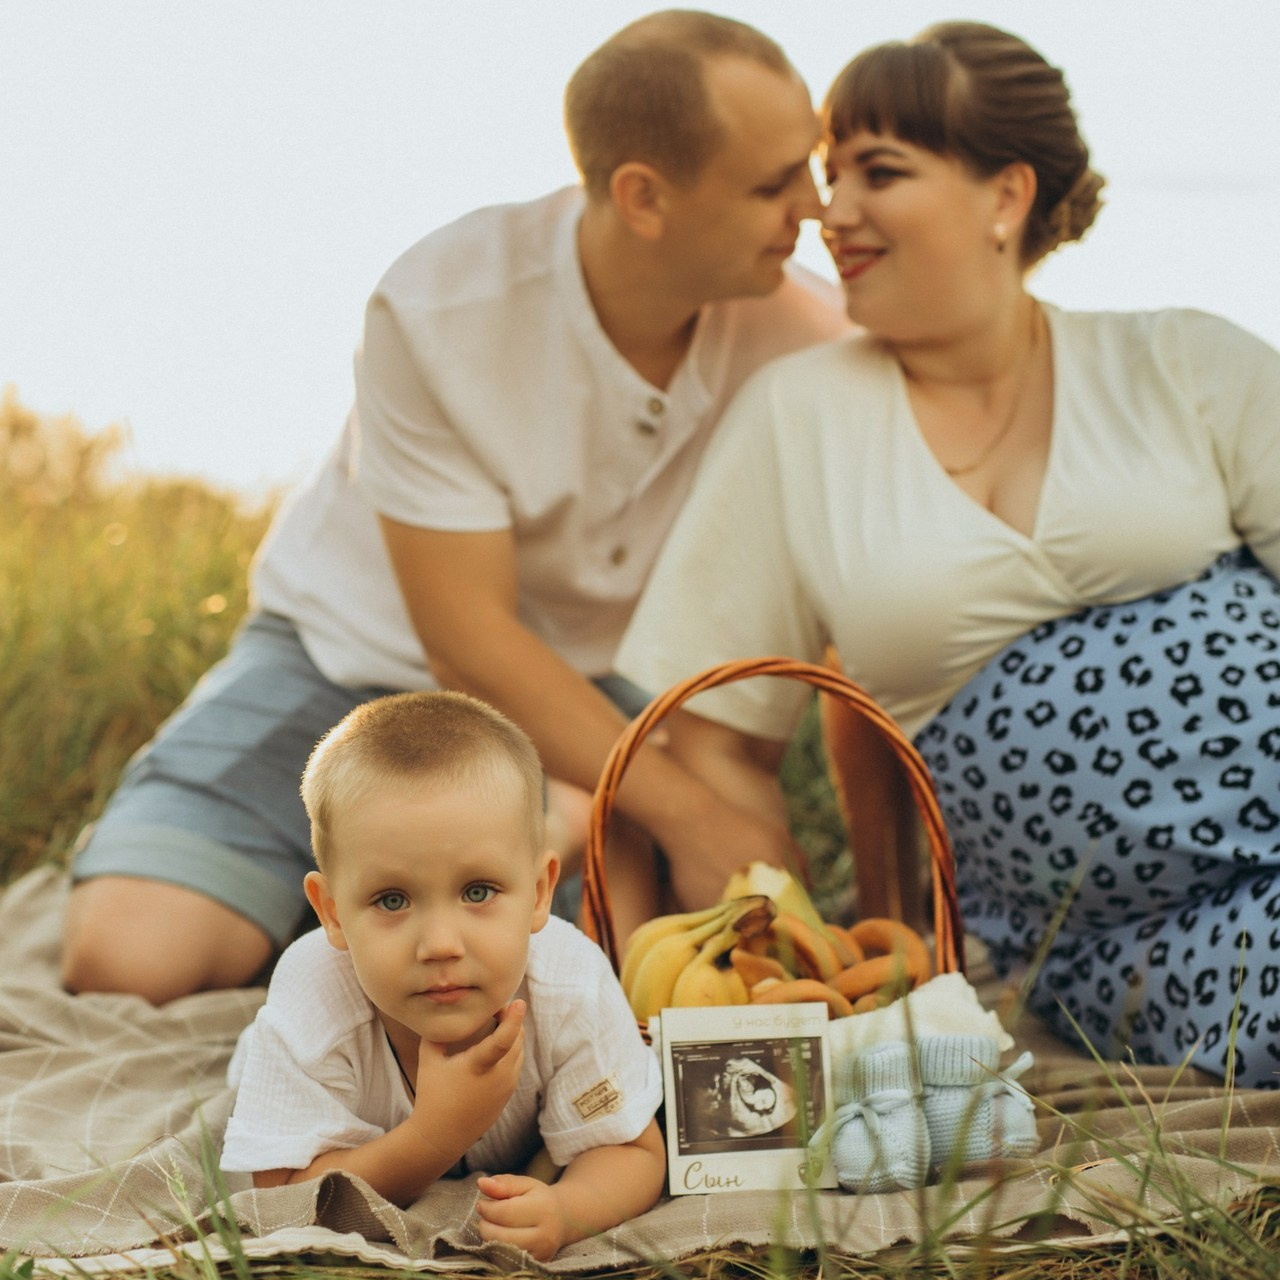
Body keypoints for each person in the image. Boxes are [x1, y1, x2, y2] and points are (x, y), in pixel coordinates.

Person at [61, 9, 850, 1002]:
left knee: (582, 982)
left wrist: (707, 803)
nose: (814, 208)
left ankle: (457, 861)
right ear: (643, 197)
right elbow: (464, 641)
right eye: (774, 183)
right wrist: (686, 815)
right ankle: (369, 879)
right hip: (344, 659)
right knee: (129, 957)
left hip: (593, 697)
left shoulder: (808, 337)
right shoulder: (440, 306)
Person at [616, 21, 1280, 1088]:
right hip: (1113, 937)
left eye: (878, 172)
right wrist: (779, 953)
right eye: (829, 179)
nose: (833, 213)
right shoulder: (800, 417)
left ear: (1003, 195)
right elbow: (718, 741)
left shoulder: (1181, 359)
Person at [220, 690, 665, 1261]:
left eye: (478, 891)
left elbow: (632, 1150)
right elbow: (282, 1196)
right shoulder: (315, 1000)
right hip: (293, 1090)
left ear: (539, 893)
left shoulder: (569, 982)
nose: (440, 945)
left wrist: (567, 1209)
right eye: (391, 900)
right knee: (257, 1068)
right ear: (331, 912)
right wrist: (435, 1134)